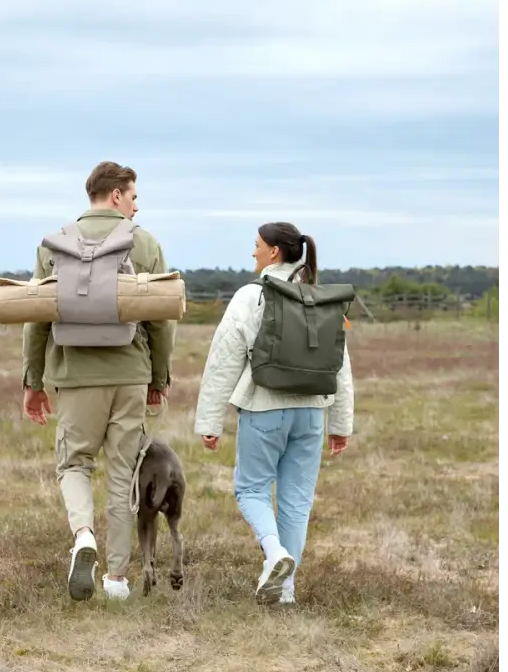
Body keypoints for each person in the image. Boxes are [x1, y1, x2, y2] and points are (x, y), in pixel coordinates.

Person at [22, 161, 175, 603]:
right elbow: (162, 322)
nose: (136, 206)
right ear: (115, 195)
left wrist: (33, 381)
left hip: (75, 376)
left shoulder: (54, 244)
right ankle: (117, 580)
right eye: (133, 196)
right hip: (130, 375)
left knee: (74, 464)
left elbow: (36, 319)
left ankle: (84, 536)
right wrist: (159, 377)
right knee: (123, 474)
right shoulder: (145, 242)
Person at [193, 222, 354, 605]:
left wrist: (210, 421)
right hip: (312, 413)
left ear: (274, 252)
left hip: (264, 408)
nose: (253, 252)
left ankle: (274, 552)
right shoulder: (319, 297)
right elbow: (340, 365)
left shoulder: (251, 296)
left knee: (251, 489)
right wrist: (341, 424)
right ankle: (285, 591)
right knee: (297, 501)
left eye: (257, 245)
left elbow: (223, 362)